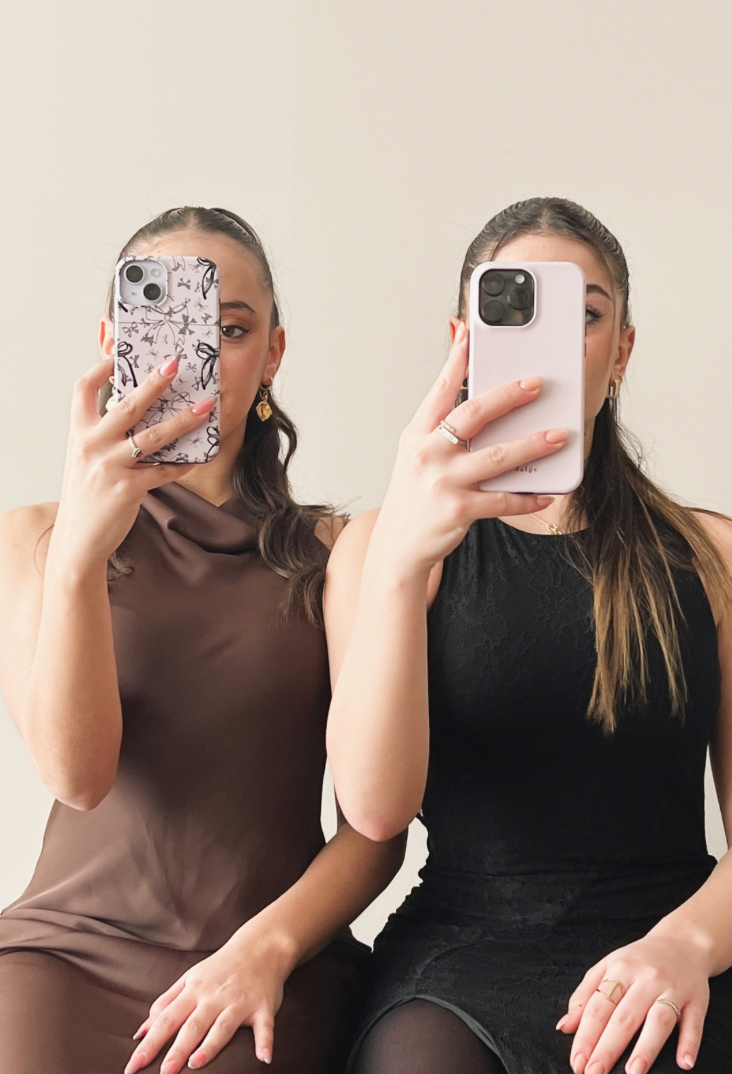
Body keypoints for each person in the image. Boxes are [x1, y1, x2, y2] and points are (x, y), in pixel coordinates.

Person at [325, 197, 732, 1074]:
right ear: (461, 342)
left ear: (622, 350)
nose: (556, 343)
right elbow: (373, 809)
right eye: (516, 311)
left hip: (675, 946)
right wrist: (401, 560)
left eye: (585, 316)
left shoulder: (713, 556)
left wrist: (691, 944)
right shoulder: (378, 550)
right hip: (463, 961)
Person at [0, 206, 405, 1074]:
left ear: (274, 355)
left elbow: (378, 826)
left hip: (264, 955)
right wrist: (80, 555)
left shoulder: (338, 552)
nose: (202, 356)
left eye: (233, 327)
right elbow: (78, 775)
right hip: (62, 951)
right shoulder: (31, 538)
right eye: (171, 322)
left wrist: (266, 951)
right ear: (114, 342)